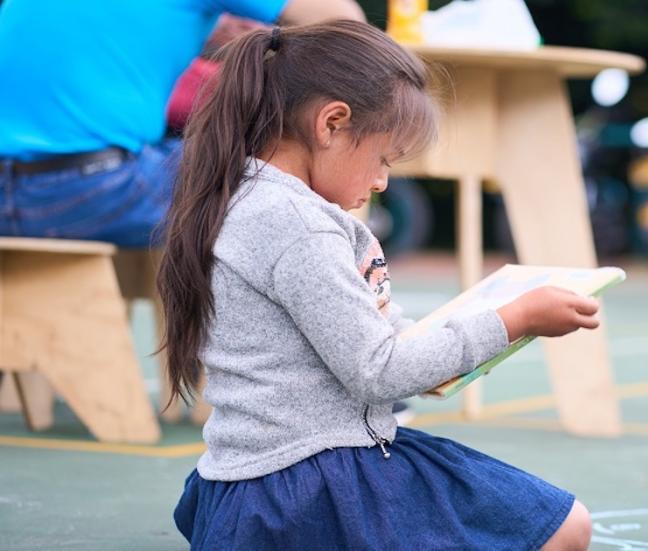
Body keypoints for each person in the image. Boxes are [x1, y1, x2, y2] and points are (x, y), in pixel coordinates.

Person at [161, 21, 596, 549]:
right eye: (384, 158)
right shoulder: (298, 225)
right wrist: (515, 320)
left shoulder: (250, 198)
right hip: (309, 485)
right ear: (332, 123)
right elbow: (378, 370)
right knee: (564, 527)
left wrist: (445, 348)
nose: (381, 181)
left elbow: (370, 339)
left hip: (266, 480)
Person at [0, 0, 363, 247]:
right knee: (285, 169)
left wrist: (209, 26)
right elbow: (348, 22)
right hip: (93, 193)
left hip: (10, 192)